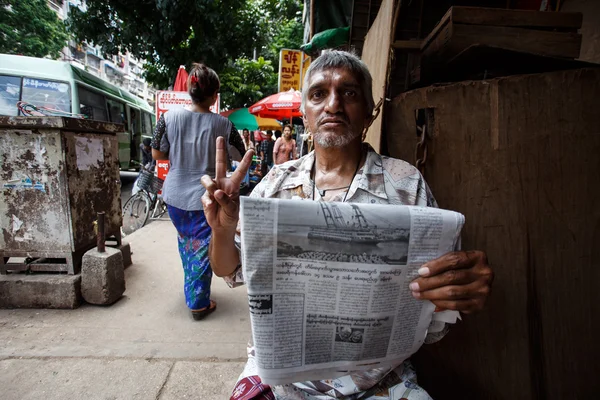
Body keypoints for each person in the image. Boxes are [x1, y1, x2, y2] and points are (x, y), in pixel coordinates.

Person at [201, 51, 493, 399]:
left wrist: (453, 292)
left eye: (349, 93)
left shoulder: (405, 184)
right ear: (305, 115)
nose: (334, 105)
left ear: (370, 111)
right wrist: (221, 229)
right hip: (281, 382)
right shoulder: (275, 185)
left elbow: (435, 317)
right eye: (318, 94)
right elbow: (229, 270)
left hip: (379, 385)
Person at [151, 63, 246, 321]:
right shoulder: (223, 125)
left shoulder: (168, 118)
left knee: (187, 243)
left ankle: (192, 288)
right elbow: (240, 152)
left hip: (174, 197)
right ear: (214, 96)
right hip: (205, 197)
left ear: (189, 90)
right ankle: (198, 302)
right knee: (203, 248)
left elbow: (157, 152)